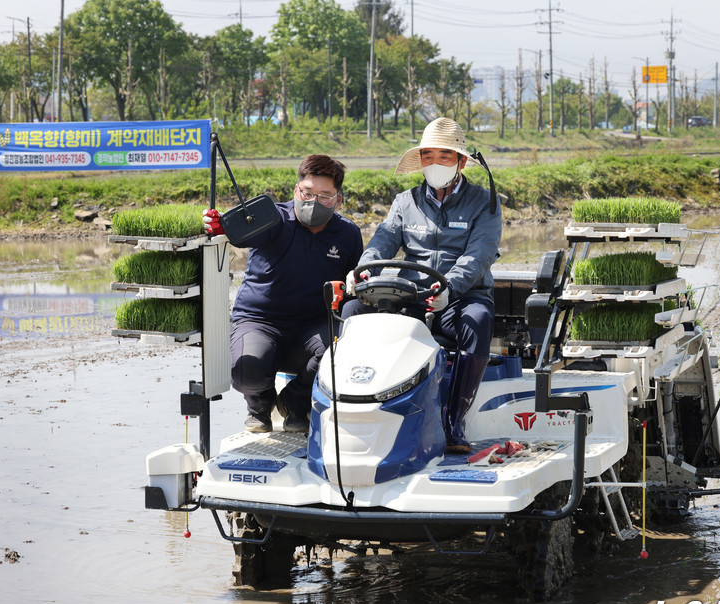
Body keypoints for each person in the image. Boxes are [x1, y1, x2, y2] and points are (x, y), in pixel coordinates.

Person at [342, 118, 502, 453]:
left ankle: (454, 419)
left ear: (460, 162)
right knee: (354, 309)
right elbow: (382, 242)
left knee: (478, 321)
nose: (435, 163)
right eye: (427, 156)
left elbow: (478, 256)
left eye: (444, 156)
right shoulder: (405, 201)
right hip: (411, 295)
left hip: (461, 296)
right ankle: (353, 408)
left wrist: (450, 289)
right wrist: (362, 271)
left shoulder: (485, 202)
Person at [204, 155, 363, 433]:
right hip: (260, 321)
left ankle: (295, 401)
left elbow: (355, 284)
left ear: (338, 199)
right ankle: (260, 405)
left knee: (342, 351)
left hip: (313, 325)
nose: (314, 201)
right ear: (296, 190)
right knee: (246, 372)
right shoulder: (273, 220)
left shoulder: (347, 233)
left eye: (325, 196)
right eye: (308, 192)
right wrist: (218, 227)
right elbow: (238, 231)